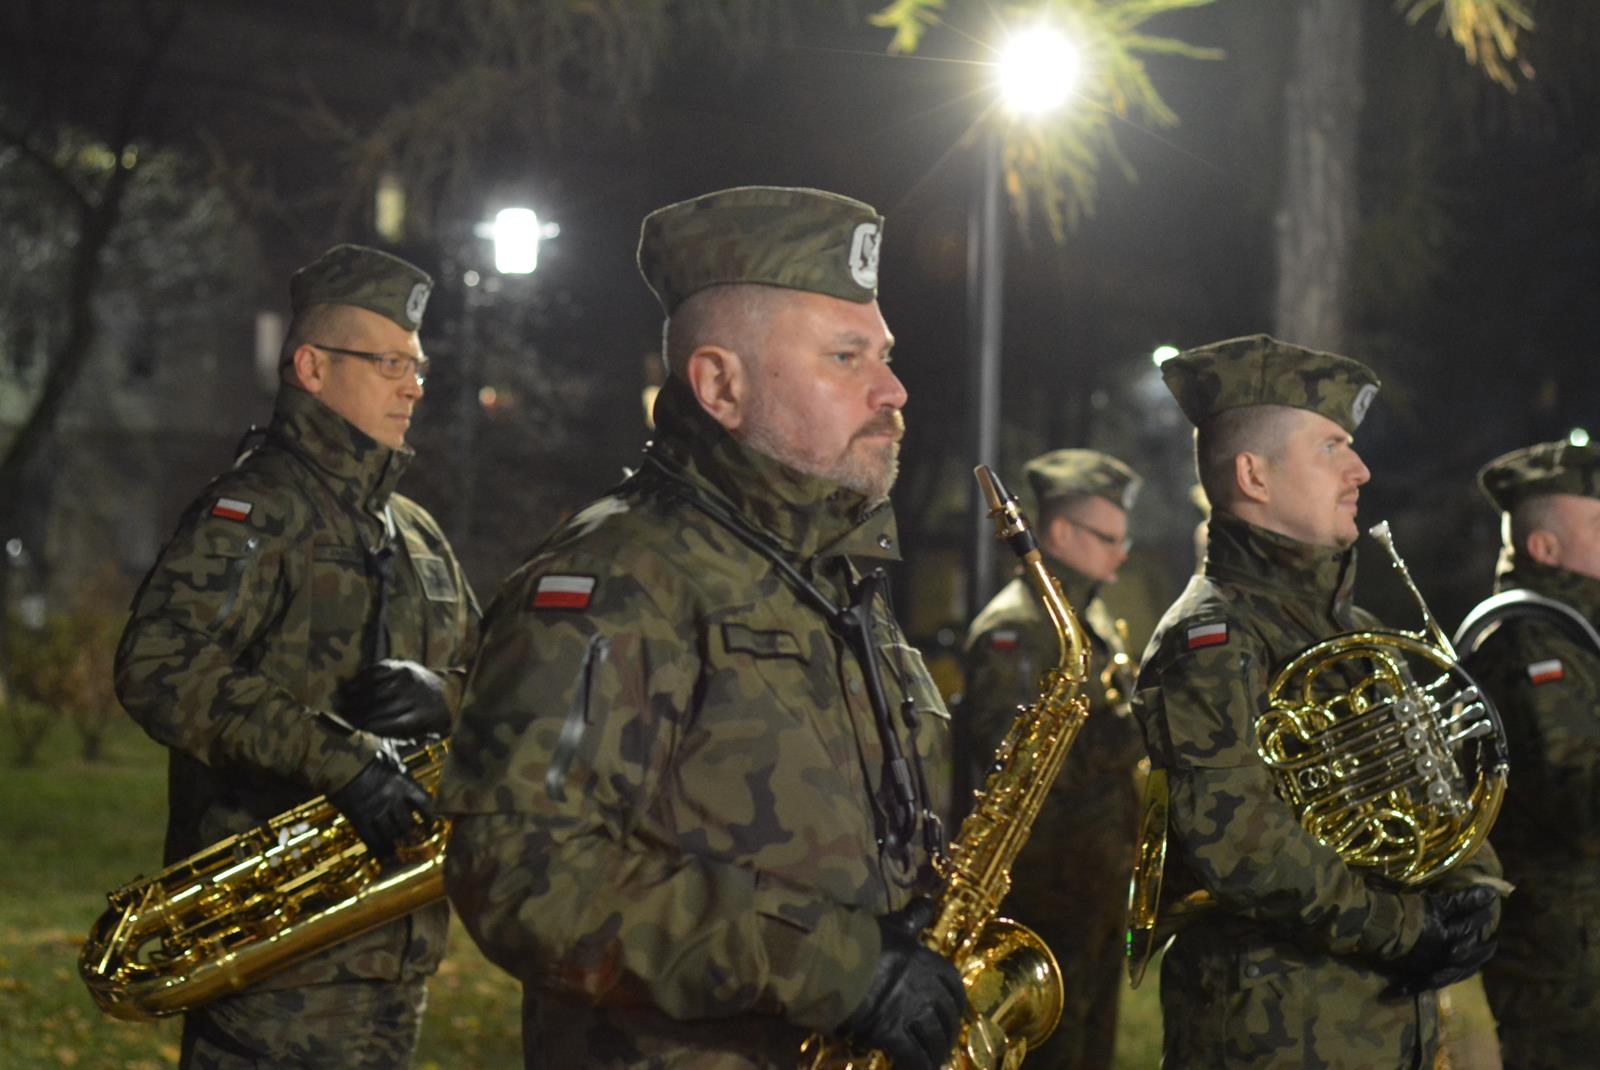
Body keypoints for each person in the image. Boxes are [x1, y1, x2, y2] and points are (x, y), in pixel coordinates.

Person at [436, 186, 964, 1070]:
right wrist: (833, 967)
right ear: (721, 384)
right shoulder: (619, 577)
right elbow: (519, 873)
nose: (893, 389)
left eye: (885, 354)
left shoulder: (828, 577)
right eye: (845, 356)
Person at [114, 244, 480, 1069]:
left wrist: (445, 694)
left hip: (391, 956)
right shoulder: (254, 510)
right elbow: (158, 664)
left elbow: (505, 679)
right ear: (311, 367)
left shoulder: (417, 533)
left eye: (418, 365)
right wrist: (341, 761)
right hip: (269, 965)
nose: (413, 386)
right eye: (388, 362)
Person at [1133, 333, 1502, 1068]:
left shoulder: (1352, 630)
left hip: (1378, 1022)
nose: (1360, 469)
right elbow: (1241, 846)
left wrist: (1473, 883)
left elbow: (1434, 795)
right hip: (1275, 1032)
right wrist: (1407, 930)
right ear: (1254, 475)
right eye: (1332, 446)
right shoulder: (1211, 636)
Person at [960, 448, 1145, 1070]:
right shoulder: (1015, 630)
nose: (1122, 554)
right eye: (1108, 537)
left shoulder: (1084, 619)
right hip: (1042, 900)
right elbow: (1010, 776)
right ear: (1061, 533)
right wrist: (1135, 731)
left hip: (1092, 893)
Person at [1466, 439, 1600, 1067]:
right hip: (1565, 959)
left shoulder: (1575, 633)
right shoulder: (1527, 643)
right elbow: (1577, 805)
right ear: (1544, 547)